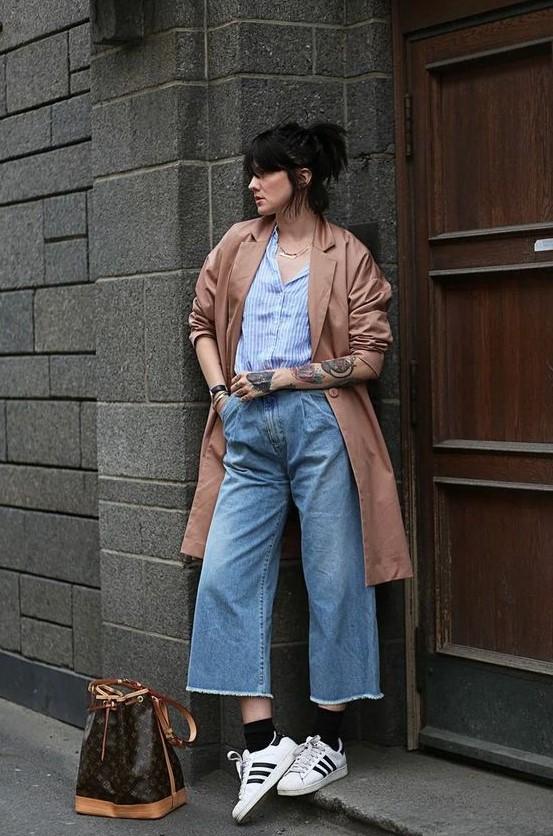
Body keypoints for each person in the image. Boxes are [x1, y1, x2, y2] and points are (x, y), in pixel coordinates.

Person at [180, 121, 412, 824]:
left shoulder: (349, 257)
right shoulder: (237, 245)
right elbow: (198, 323)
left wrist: (286, 376)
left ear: (300, 177)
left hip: (322, 424)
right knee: (223, 574)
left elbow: (369, 358)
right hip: (246, 431)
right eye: (251, 173)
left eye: (264, 172)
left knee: (334, 575)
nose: (252, 184)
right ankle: (260, 741)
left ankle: (330, 740)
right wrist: (222, 393)